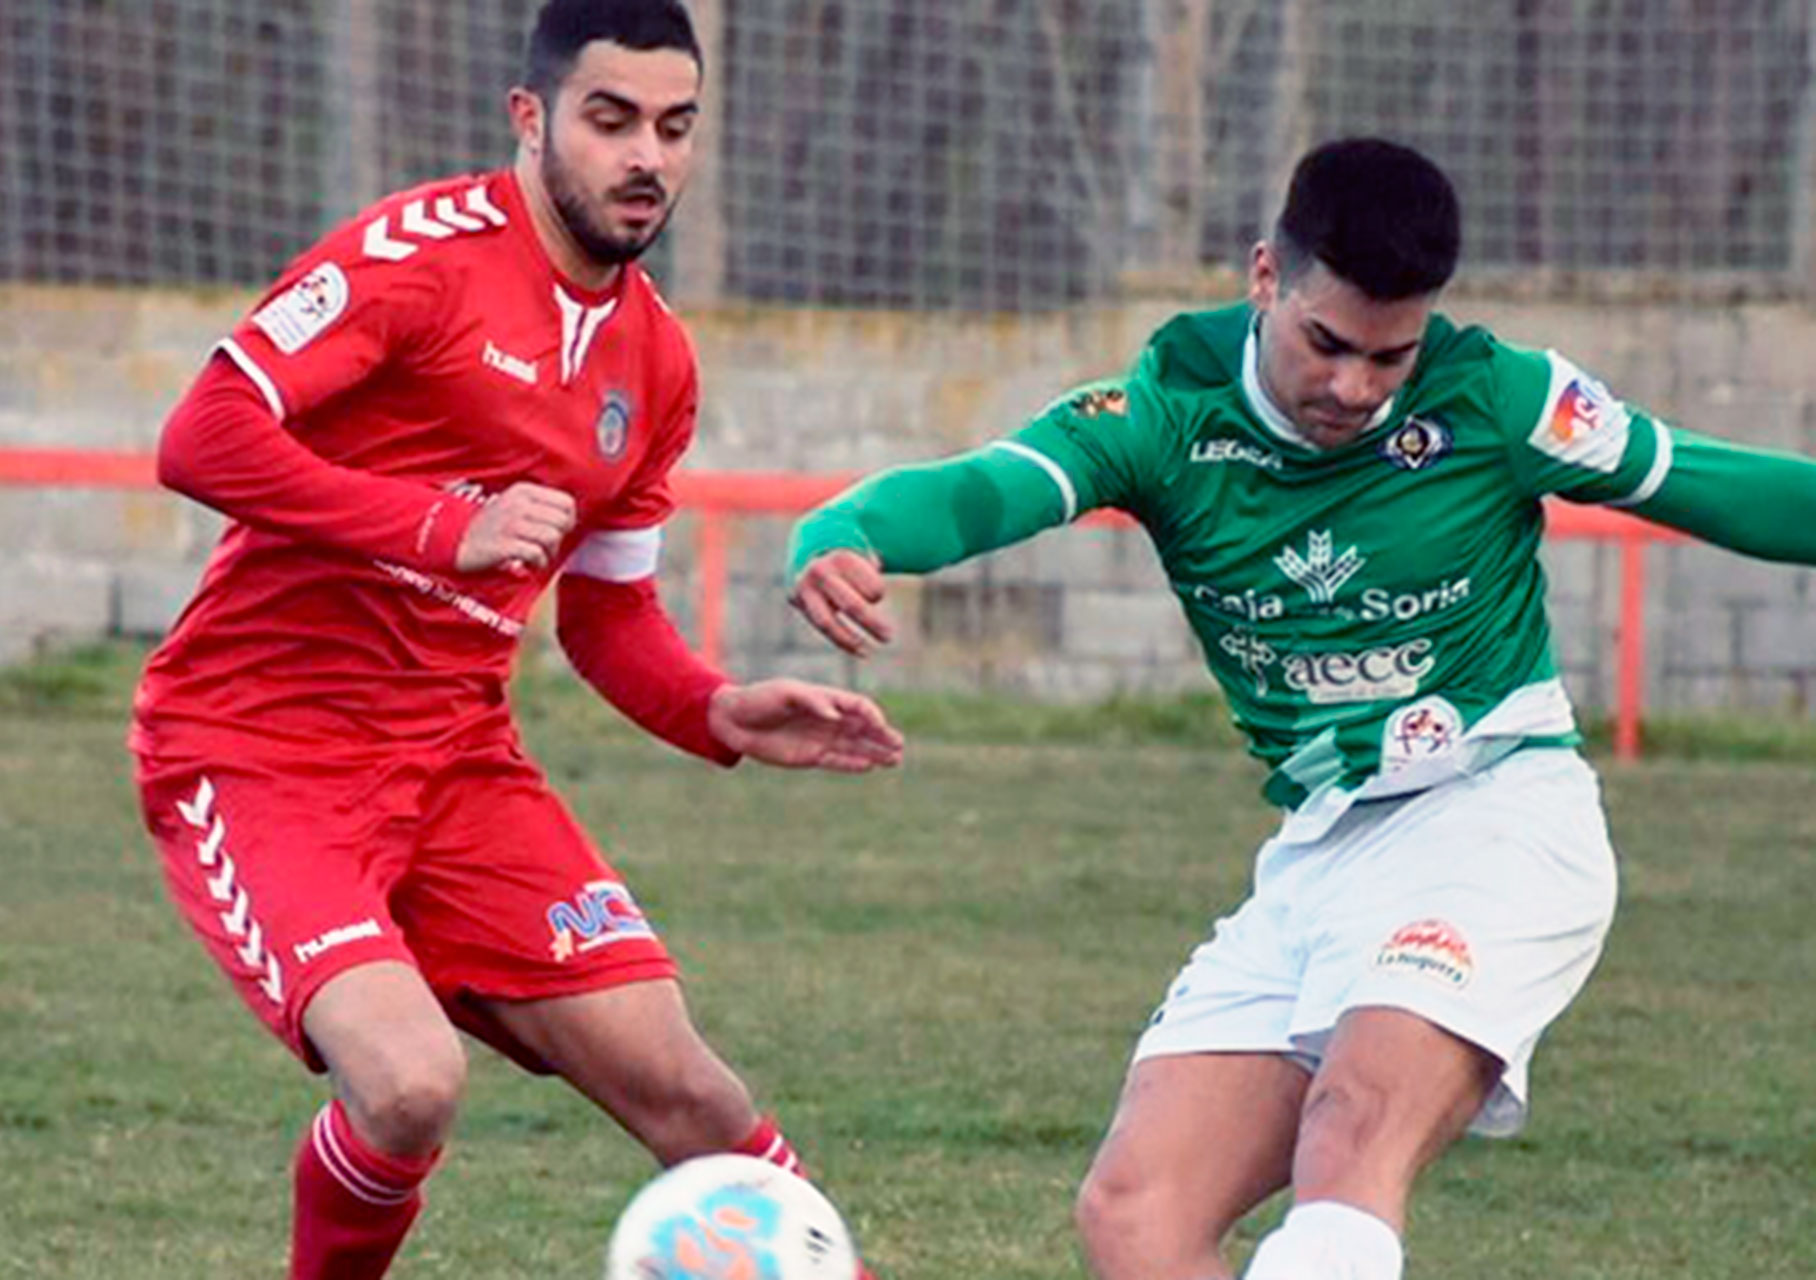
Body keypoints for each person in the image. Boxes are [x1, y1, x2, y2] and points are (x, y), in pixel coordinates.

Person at [786, 137, 1816, 1280]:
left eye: (1390, 355)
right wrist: (847, 528)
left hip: (1498, 815)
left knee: (1353, 1128)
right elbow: (991, 484)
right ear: (1264, 277)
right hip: (1324, 846)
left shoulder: (1499, 394)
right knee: (1136, 1213)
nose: (1356, 387)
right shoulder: (1165, 410)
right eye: (1327, 343)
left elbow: (1710, 478)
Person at [130, 3, 902, 1276]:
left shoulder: (654, 359)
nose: (645, 156)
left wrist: (714, 709)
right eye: (610, 121)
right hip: (258, 750)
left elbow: (605, 616)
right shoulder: (418, 256)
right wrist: (437, 526)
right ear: (531, 118)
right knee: (411, 1083)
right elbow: (201, 435)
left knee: (697, 1100)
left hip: (457, 766)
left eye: (674, 126)